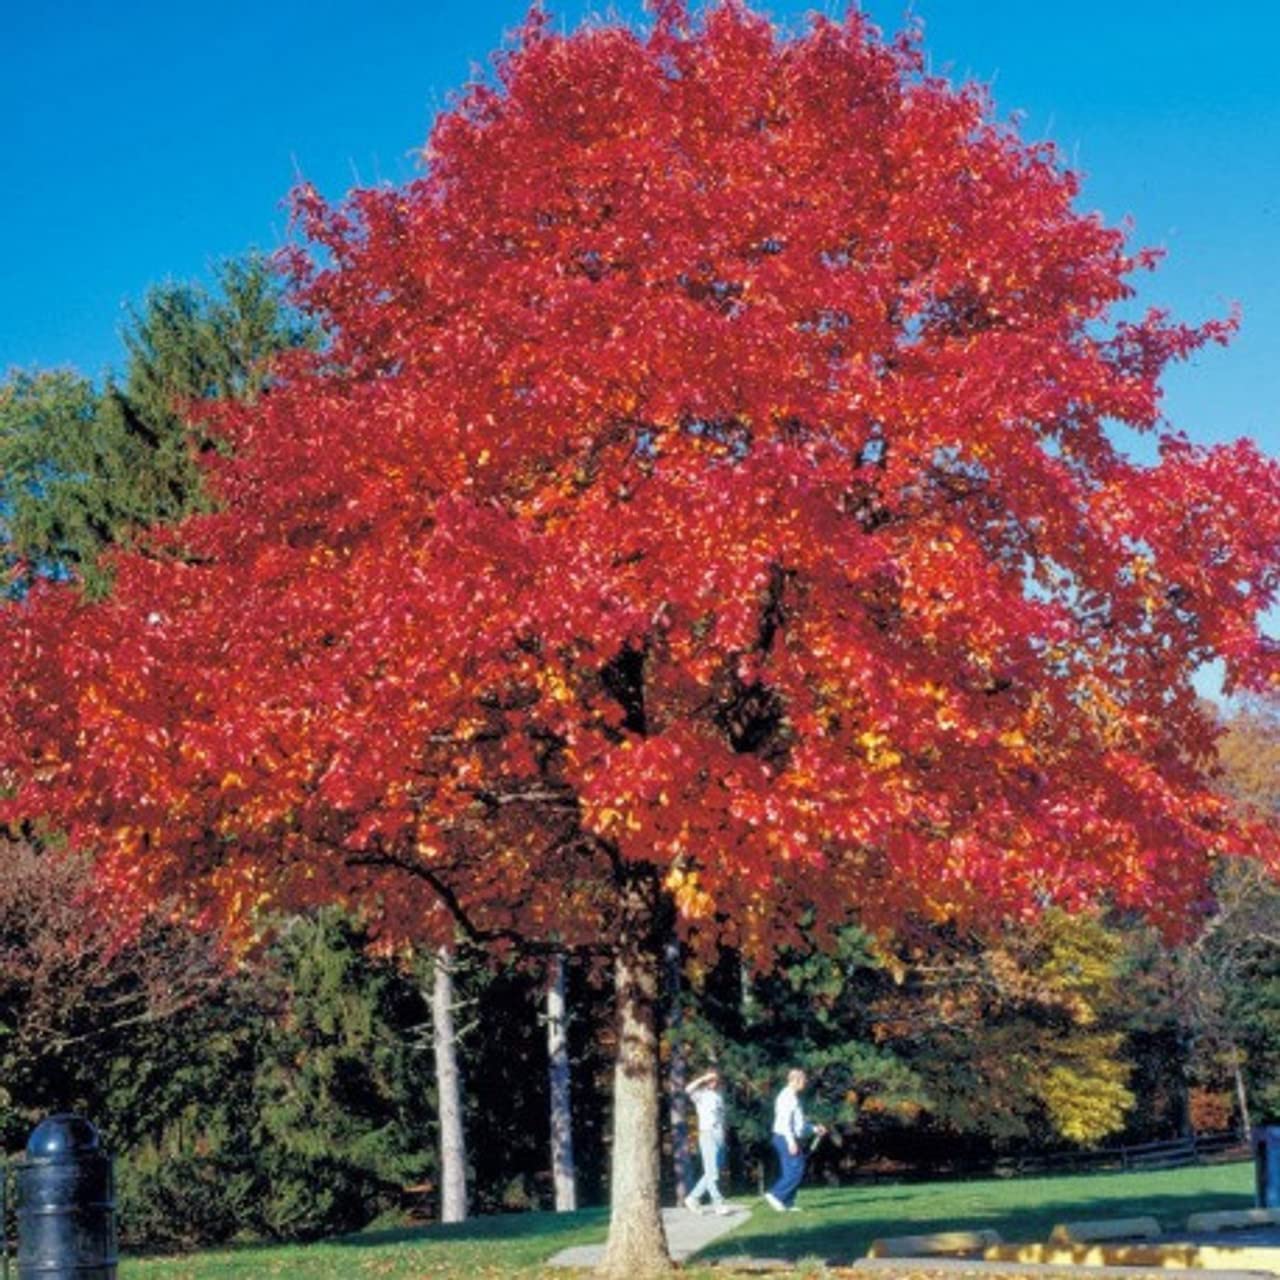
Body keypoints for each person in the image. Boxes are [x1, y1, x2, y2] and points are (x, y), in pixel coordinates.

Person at [765, 1067, 825, 1212]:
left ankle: (788, 1202)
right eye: (804, 1080)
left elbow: (799, 1125)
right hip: (784, 1138)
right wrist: (791, 1142)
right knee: (797, 1169)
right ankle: (776, 1195)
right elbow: (785, 1123)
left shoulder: (794, 1097)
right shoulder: (786, 1097)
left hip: (789, 1137)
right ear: (795, 1080)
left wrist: (815, 1129)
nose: (806, 1082)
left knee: (791, 1170)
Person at [683, 1066, 733, 1215]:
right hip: (707, 1133)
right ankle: (718, 1204)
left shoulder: (718, 1096)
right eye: (711, 1080)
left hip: (719, 1135)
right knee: (712, 1173)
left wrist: (723, 1136)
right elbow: (687, 1089)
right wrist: (704, 1078)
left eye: (715, 1079)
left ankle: (693, 1197)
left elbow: (722, 1118)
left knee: (712, 1171)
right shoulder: (700, 1094)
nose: (713, 1082)